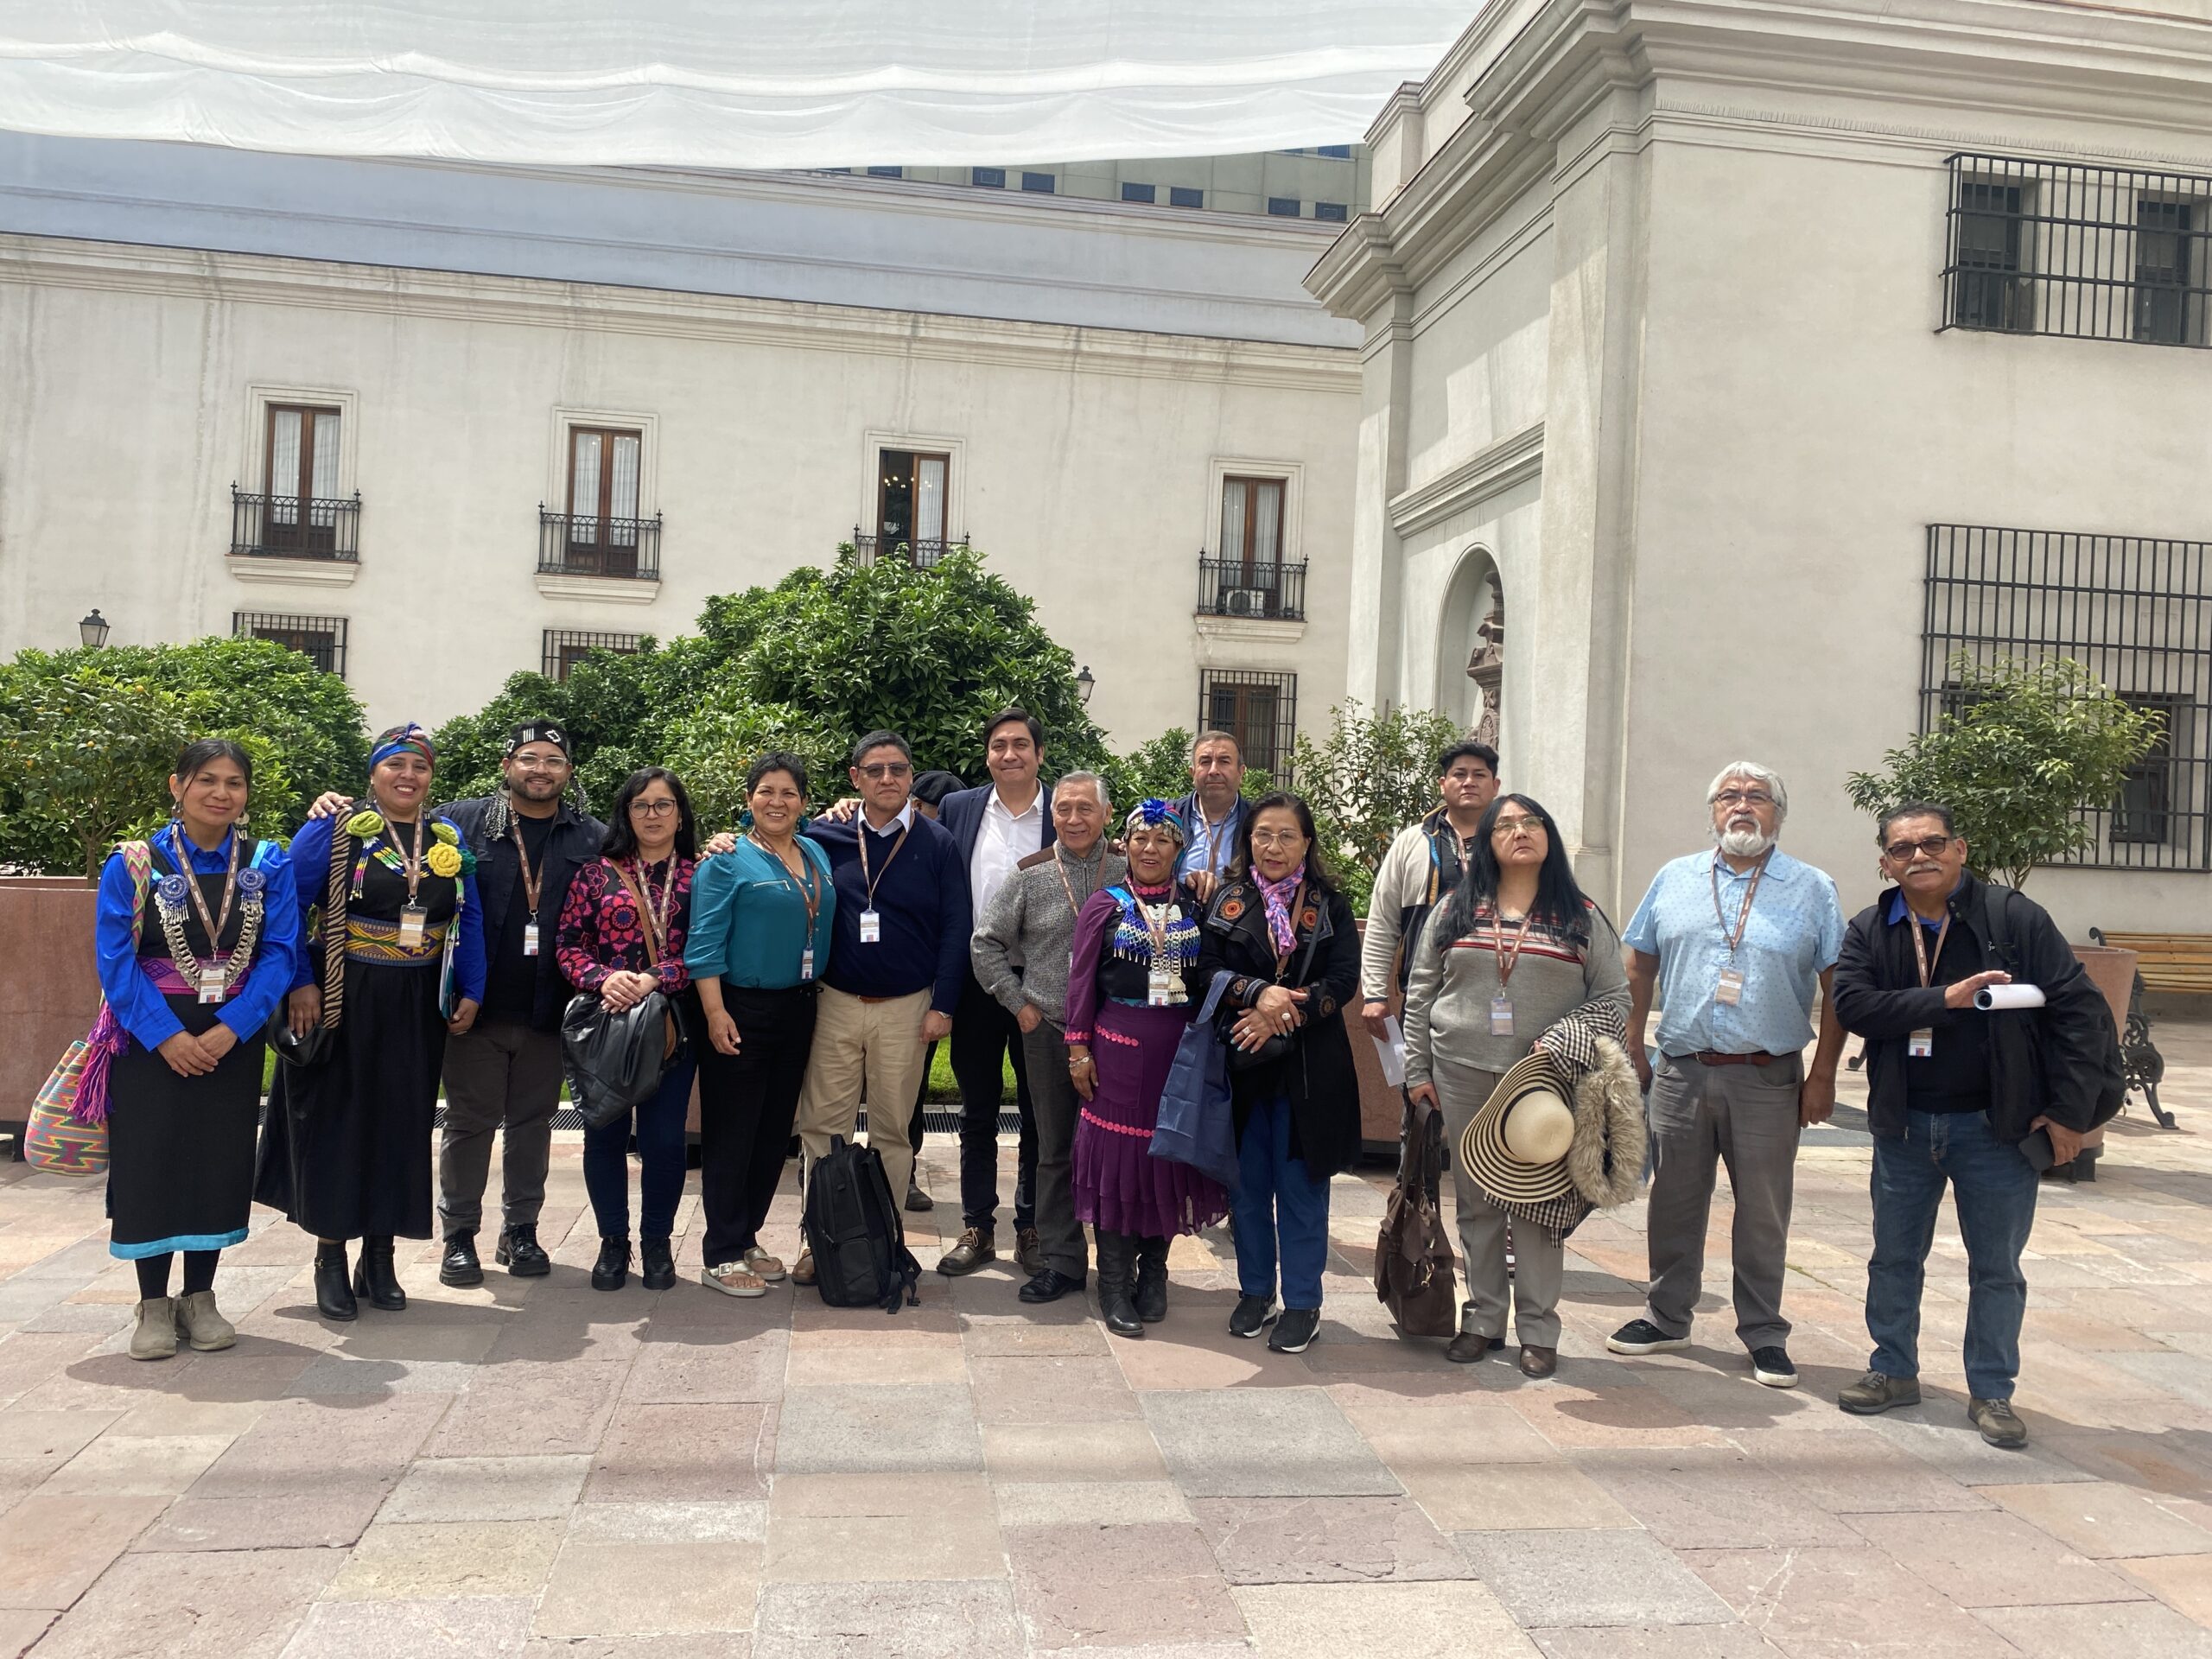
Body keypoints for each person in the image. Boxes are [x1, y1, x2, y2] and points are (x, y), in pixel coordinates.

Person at [1829, 802, 2107, 1448]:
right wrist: (1945, 999)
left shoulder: (2013, 919)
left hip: (1996, 1129)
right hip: (1904, 1127)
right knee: (1894, 1258)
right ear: (1884, 861)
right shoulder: (1873, 928)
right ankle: (1892, 1370)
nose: (1918, 856)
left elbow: (2080, 1013)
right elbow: (1854, 1005)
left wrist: (2070, 1113)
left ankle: (1992, 1391)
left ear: (1960, 849)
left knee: (1997, 1268)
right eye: (1902, 849)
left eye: (1932, 843)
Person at [298, 722, 607, 1287]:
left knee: (534, 1122)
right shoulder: (459, 824)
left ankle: (521, 1232)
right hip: (466, 1010)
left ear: (568, 771)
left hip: (546, 1004)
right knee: (468, 1122)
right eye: (529, 758)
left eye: (554, 761)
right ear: (506, 762)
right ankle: (459, 1236)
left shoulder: (593, 837)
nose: (541, 769)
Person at [1606, 762, 1847, 1389]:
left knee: (1764, 1210)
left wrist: (1822, 1076)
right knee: (1674, 1200)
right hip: (1682, 1070)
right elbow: (1639, 966)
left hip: (1767, 1077)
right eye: (1729, 797)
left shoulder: (1812, 887)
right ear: (1713, 811)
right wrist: (1634, 1042)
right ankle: (1666, 1316)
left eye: (1757, 797)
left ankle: (1764, 1331)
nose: (1742, 806)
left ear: (1778, 813)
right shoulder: (1675, 878)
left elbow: (1837, 986)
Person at [257, 724, 486, 1322]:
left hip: (417, 1000)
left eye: (420, 766)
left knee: (401, 1123)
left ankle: (379, 1256)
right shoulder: (332, 830)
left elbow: (471, 914)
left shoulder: (446, 836)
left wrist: (473, 986)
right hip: (345, 995)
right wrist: (300, 982)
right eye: (396, 765)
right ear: (374, 773)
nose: (408, 776)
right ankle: (330, 1256)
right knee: (340, 1123)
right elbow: (285, 906)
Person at [1403, 794, 1629, 1377]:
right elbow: (1421, 994)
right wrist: (1417, 1072)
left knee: (1536, 1205)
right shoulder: (1455, 908)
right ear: (1488, 844)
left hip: (1542, 1084)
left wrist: (1564, 1036)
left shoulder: (1580, 915)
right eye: (1505, 824)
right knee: (1477, 1203)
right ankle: (1481, 1319)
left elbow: (1614, 998)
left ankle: (1539, 1330)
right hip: (1462, 1071)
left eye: (1532, 823)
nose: (1519, 832)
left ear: (1549, 837)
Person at [96, 740, 299, 1360]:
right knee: (151, 1162)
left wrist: (233, 1026)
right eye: (206, 779)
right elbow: (115, 960)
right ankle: (153, 1304)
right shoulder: (134, 864)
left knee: (216, 1161)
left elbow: (281, 953)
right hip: (150, 1041)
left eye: (234, 782)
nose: (220, 793)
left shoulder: (269, 862)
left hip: (229, 1043)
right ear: (176, 786)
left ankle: (201, 1297)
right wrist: (168, 1037)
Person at [791, 730, 969, 1286]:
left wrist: (944, 1004)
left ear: (911, 776)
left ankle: (883, 1240)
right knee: (822, 1127)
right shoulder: (825, 834)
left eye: (897, 768)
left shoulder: (937, 843)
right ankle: (818, 1241)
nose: (887, 778)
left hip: (906, 1007)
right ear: (855, 779)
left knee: (893, 1131)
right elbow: (768, 846)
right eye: (874, 770)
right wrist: (725, 841)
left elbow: (955, 927)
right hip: (837, 1003)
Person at [1198, 791, 1362, 1354]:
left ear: (1307, 844)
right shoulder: (1230, 902)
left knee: (1300, 1190)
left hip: (1310, 1074)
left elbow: (1343, 981)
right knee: (1246, 1189)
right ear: (1249, 840)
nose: (1273, 846)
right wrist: (1258, 993)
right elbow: (1207, 971)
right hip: (1242, 1071)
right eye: (1263, 834)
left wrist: (1278, 1016)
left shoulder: (1329, 906)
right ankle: (1255, 1291)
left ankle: (1302, 1303)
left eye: (1286, 835)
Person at [1064, 798, 1226, 1335]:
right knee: (1118, 1165)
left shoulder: (1196, 907)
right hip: (1116, 1049)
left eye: (1162, 840)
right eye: (1140, 839)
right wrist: (1077, 1049)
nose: (1150, 849)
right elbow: (1082, 983)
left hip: (1177, 1056)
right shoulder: (1105, 905)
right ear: (1125, 846)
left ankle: (1153, 1273)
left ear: (1179, 849)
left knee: (1166, 1160)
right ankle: (1113, 1284)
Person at [971, 772, 1126, 1305]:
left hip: (1118, 1037)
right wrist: (1022, 1007)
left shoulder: (1131, 873)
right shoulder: (1029, 876)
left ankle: (1118, 1266)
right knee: (1054, 1150)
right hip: (1051, 1032)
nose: (1074, 819)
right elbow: (985, 944)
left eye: (1086, 809)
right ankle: (1062, 1262)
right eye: (1064, 810)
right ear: (1052, 815)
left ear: (1107, 814)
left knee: (1117, 1152)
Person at [686, 753, 836, 1298]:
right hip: (740, 1008)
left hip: (799, 1006)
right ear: (749, 798)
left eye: (789, 793)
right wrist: (714, 1011)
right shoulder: (725, 861)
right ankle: (720, 1253)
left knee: (775, 1133)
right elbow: (702, 943)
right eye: (767, 792)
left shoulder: (814, 850)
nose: (778, 802)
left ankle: (745, 1234)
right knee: (733, 1130)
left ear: (803, 802)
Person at [556, 768, 703, 1294]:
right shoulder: (596, 875)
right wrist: (605, 979)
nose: (653, 815)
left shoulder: (700, 875)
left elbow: (708, 952)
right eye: (641, 805)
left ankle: (658, 1242)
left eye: (664, 805)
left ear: (680, 814)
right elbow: (568, 945)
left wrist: (653, 979)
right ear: (626, 813)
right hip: (608, 1024)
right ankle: (613, 1242)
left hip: (671, 1027)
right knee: (605, 1135)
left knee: (665, 1141)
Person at [936, 709, 1054, 1277]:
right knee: (978, 1109)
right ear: (987, 754)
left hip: (1042, 987)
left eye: (1021, 745)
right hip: (979, 984)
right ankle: (977, 1226)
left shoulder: (1065, 812)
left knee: (1039, 1111)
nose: (1010, 754)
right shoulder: (961, 809)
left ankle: (1031, 1226)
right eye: (999, 745)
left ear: (1038, 754)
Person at [1361, 739, 1501, 1039]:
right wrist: (1374, 994)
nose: (1468, 782)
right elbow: (1383, 921)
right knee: (1419, 1083)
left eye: (1479, 775)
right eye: (1459, 774)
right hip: (1424, 994)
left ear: (1495, 785)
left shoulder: (1511, 843)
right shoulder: (1412, 843)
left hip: (1498, 993)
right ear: (1443, 783)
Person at [902, 767, 967, 1211]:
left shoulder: (948, 850)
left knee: (913, 1085)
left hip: (930, 986)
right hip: (871, 988)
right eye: (931, 811)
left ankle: (902, 1171)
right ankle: (841, 1183)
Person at [1175, 730, 1249, 906]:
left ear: (1241, 772)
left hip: (1234, 926)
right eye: (1205, 762)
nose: (1214, 770)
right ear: (1192, 773)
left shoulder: (1257, 822)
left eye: (1224, 761)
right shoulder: (1170, 816)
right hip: (1174, 924)